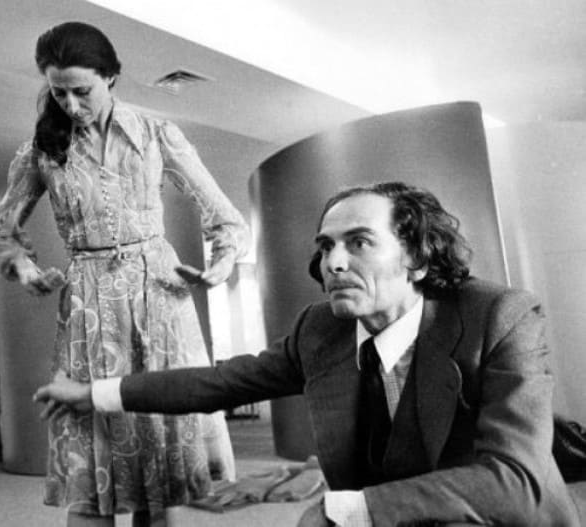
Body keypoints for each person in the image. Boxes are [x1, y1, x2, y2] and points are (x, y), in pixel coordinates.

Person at [34, 181, 581, 526]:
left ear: (416, 258)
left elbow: (514, 480)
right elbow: (220, 383)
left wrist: (352, 507)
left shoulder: (499, 317)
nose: (333, 263)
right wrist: (94, 393)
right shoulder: (320, 330)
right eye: (326, 247)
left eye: (359, 242)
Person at [0, 21, 249, 527]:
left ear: (111, 77)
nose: (70, 104)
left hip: (159, 297)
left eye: (81, 90)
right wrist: (23, 267)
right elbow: (2, 230)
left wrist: (220, 266)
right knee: (91, 462)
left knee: (162, 466)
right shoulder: (41, 151)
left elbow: (225, 218)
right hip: (88, 304)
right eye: (58, 92)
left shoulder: (156, 135)